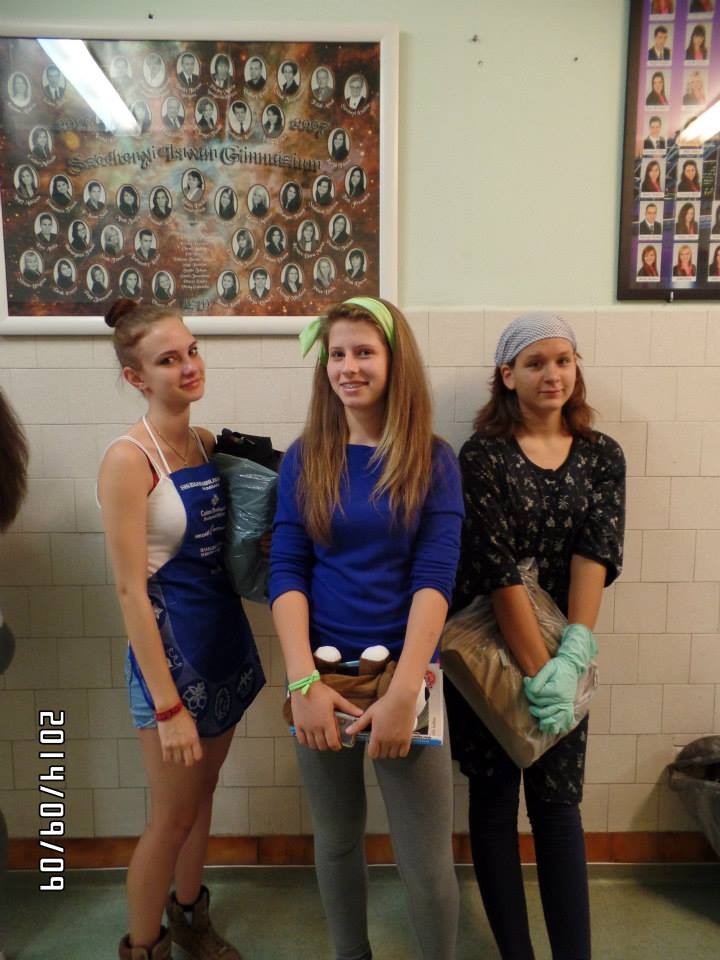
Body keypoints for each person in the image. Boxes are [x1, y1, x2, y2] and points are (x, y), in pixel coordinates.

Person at [270, 296, 463, 960]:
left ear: (394, 360)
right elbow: (287, 570)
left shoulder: (433, 459)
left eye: (364, 352)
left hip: (407, 677)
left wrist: (406, 690)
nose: (348, 367)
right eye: (337, 354)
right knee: (336, 841)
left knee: (425, 861)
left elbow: (435, 578)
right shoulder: (306, 457)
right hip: (321, 677)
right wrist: (302, 683)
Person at [445, 312, 625, 960]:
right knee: (495, 802)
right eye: (536, 362)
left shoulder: (602, 455)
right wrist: (535, 668)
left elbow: (594, 552)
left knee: (558, 806)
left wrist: (570, 656)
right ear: (507, 374)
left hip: (565, 650)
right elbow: (494, 568)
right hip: (488, 655)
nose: (553, 374)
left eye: (563, 360)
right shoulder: (481, 456)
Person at [98, 299, 264, 960]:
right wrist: (167, 708)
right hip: (170, 663)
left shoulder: (203, 444)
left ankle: (191, 916)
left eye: (191, 350)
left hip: (222, 644)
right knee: (169, 818)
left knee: (202, 797)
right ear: (137, 378)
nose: (189, 366)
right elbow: (129, 591)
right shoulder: (127, 460)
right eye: (168, 360)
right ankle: (145, 947)